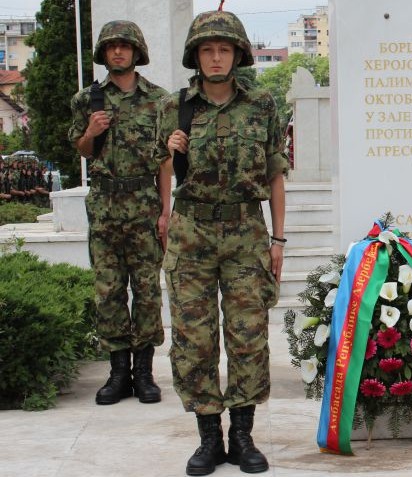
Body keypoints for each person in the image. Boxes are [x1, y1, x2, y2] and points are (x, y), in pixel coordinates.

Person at [156, 10, 287, 476]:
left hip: (246, 233)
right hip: (191, 232)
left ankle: (243, 435)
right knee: (194, 338)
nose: (216, 58)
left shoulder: (262, 104)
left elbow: (275, 173)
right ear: (196, 56)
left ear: (238, 55)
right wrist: (171, 159)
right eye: (208, 50)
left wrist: (278, 239)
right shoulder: (174, 107)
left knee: (248, 335)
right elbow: (162, 171)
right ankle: (209, 437)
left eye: (224, 50)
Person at [68, 21, 168, 405]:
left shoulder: (158, 100)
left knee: (146, 290)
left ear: (137, 51)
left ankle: (144, 373)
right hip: (105, 207)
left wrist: (165, 212)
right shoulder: (86, 100)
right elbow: (82, 149)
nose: (118, 52)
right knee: (108, 290)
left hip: (144, 205)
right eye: (112, 47)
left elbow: (165, 161)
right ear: (103, 53)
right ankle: (118, 373)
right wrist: (91, 132)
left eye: (125, 46)